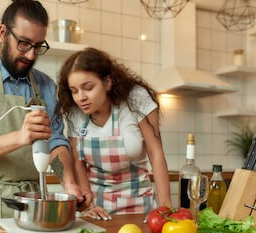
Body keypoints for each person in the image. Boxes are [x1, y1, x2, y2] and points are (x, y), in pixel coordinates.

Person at [0, 0, 90, 223]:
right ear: (3, 33)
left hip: (32, 202)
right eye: (24, 44)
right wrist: (20, 137)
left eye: (38, 46)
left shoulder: (45, 86)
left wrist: (69, 182)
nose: (31, 55)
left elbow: (55, 142)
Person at [54, 47, 171, 220]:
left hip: (140, 206)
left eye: (88, 87)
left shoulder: (135, 98)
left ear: (107, 83)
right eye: (74, 91)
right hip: (99, 210)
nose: (80, 98)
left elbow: (156, 153)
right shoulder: (75, 112)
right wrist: (90, 206)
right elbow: (78, 163)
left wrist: (165, 208)